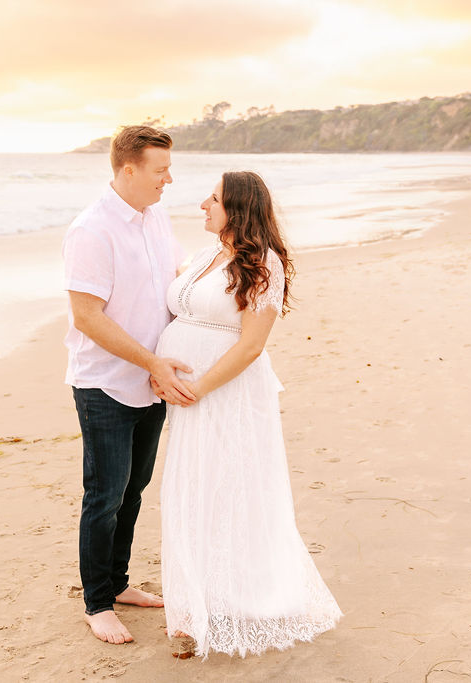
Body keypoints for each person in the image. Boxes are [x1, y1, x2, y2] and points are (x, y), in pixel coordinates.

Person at [154, 171, 342, 658]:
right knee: (190, 487)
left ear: (236, 207)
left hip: (226, 393)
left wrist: (196, 386)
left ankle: (226, 603)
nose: (202, 204)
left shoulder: (264, 264)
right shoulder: (204, 255)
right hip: (186, 395)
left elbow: (253, 345)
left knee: (227, 488)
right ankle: (194, 602)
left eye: (212, 198)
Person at [63, 125, 194, 645]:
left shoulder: (155, 216)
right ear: (128, 169)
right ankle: (97, 603)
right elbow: (87, 316)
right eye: (160, 171)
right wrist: (151, 361)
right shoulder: (91, 230)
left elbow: (178, 273)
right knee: (104, 496)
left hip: (152, 382)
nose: (168, 180)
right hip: (106, 386)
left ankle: (118, 585)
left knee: (134, 492)